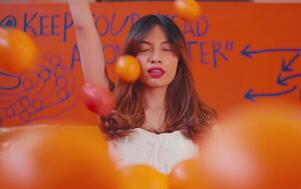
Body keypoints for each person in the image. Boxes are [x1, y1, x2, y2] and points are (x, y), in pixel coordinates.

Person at [68, 0, 216, 174]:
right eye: (145, 49)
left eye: (167, 49)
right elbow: (82, 25)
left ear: (179, 61)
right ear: (131, 58)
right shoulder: (113, 108)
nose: (155, 58)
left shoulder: (201, 121)